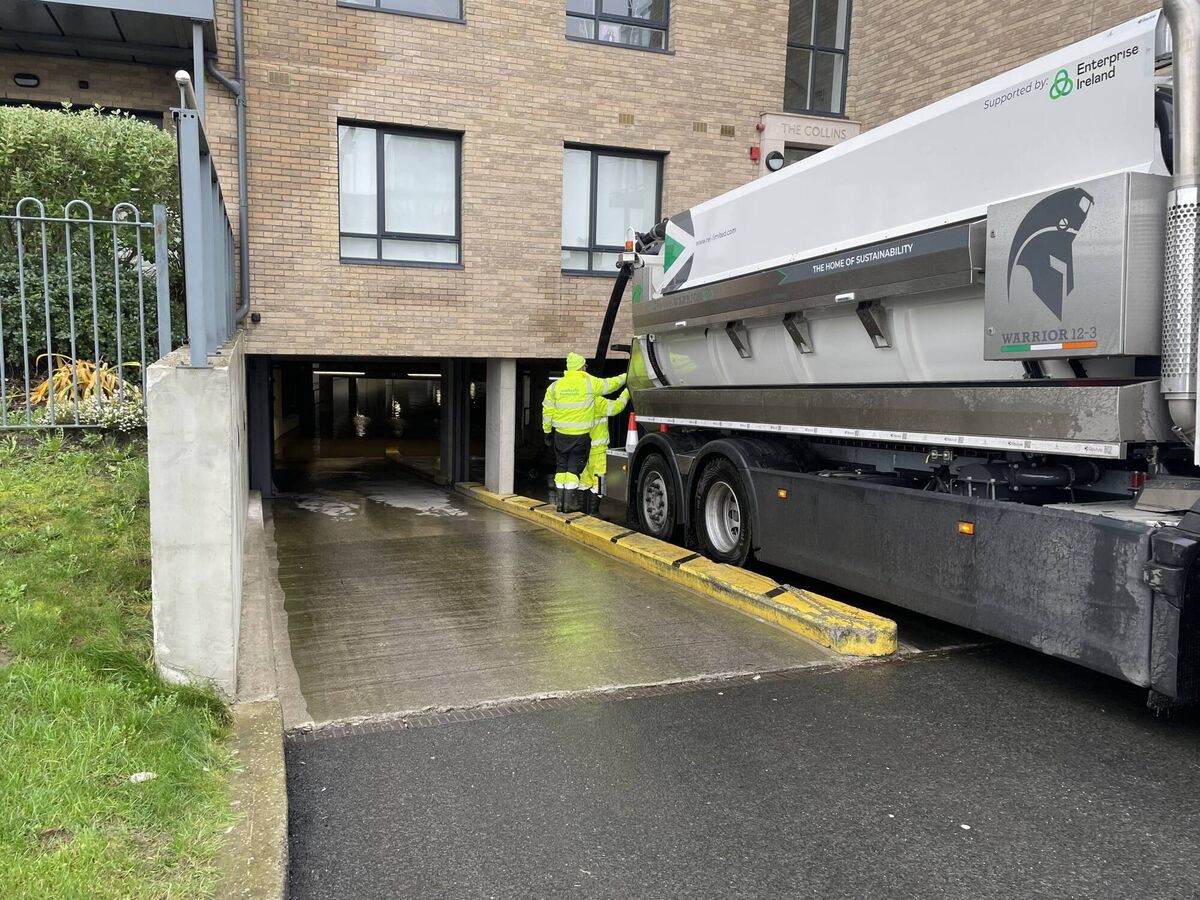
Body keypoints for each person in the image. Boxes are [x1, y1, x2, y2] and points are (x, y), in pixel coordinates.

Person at [542, 352, 626, 513]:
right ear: (581, 367)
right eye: (585, 365)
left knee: (562, 468)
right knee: (575, 469)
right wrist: (627, 378)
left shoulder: (555, 386)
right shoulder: (590, 386)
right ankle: (575, 507)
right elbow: (611, 387)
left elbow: (547, 410)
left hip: (560, 435)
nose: (586, 368)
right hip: (582, 438)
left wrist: (547, 431)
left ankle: (563, 504)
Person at [579, 383, 631, 518]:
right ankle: (593, 512)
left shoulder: (577, 401)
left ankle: (583, 512)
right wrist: (627, 391)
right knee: (598, 480)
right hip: (598, 450)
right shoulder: (597, 401)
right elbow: (616, 407)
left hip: (581, 449)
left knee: (585, 480)